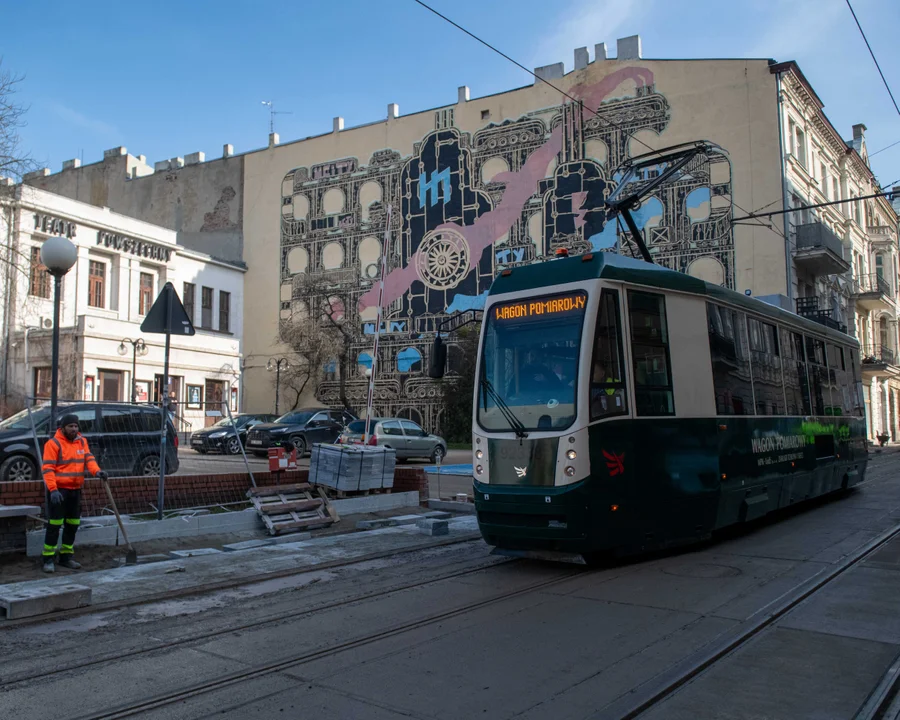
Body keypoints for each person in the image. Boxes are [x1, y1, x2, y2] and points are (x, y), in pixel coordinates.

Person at [41, 413, 107, 573]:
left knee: (72, 524)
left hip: (75, 490)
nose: (74, 429)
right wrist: (53, 489)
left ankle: (66, 556)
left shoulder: (81, 442)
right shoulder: (53, 444)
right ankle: (48, 559)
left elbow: (89, 459)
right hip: (59, 491)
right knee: (54, 525)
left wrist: (97, 472)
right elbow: (48, 469)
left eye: (76, 426)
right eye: (70, 426)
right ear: (62, 428)